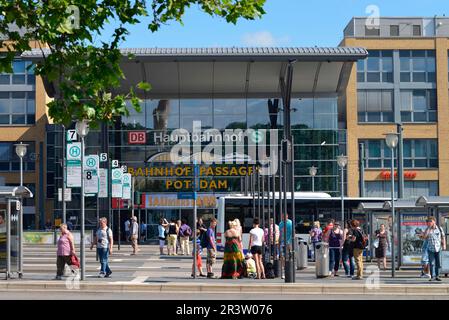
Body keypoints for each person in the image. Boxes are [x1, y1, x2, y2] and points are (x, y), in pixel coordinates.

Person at [423, 216, 446, 281]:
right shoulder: (427, 229)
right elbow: (425, 237)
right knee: (432, 263)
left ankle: (437, 276)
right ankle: (432, 276)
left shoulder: (439, 228)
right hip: (430, 249)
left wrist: (444, 245)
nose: (429, 223)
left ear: (434, 221)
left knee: (438, 263)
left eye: (431, 221)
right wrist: (428, 229)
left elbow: (443, 237)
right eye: (428, 222)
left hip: (438, 248)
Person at [279, 213, 292, 279]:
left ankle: (289, 270)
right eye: (282, 216)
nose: (283, 218)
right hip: (282, 242)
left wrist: (290, 242)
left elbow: (293, 233)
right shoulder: (281, 223)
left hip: (289, 243)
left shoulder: (290, 222)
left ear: (287, 216)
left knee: (289, 257)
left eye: (284, 216)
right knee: (282, 257)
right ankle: (283, 272)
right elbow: (279, 234)